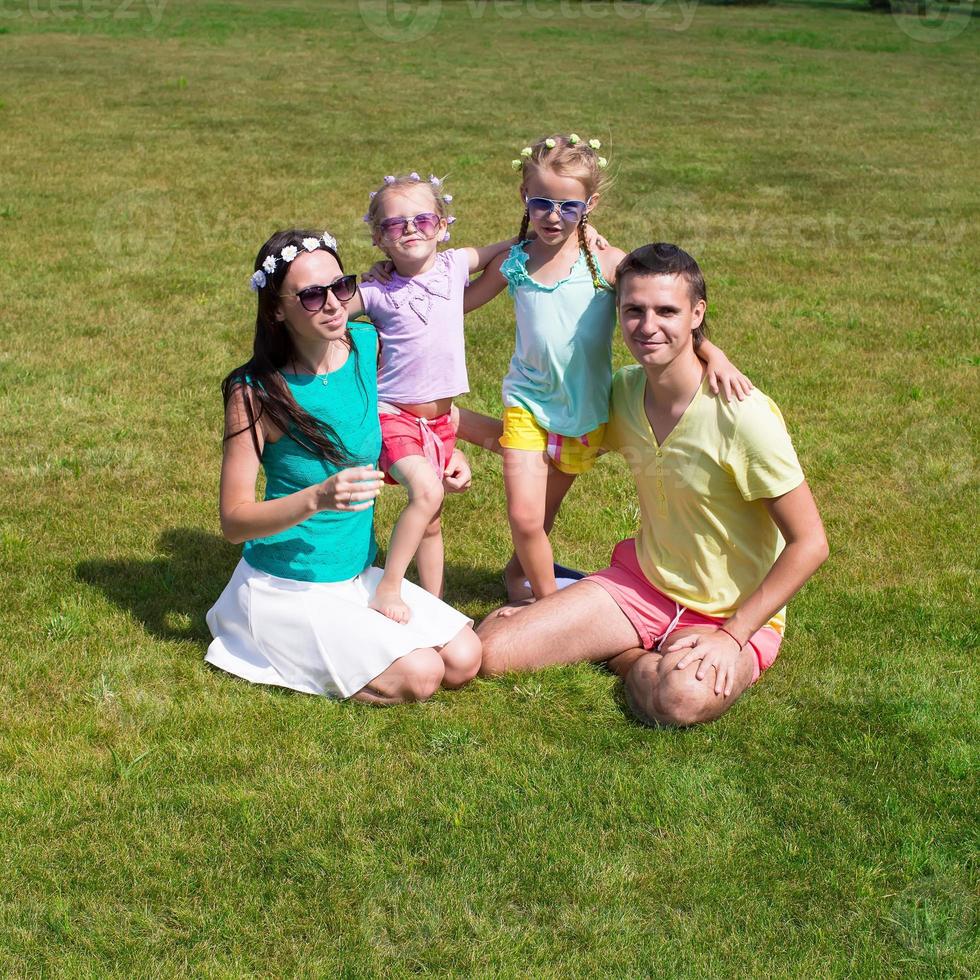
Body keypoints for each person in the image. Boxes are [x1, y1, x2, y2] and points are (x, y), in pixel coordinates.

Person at [477, 244, 829, 727]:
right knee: (494, 651)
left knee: (680, 699)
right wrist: (444, 423)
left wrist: (732, 636)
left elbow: (810, 543)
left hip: (733, 613)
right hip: (641, 586)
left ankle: (625, 655)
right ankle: (634, 652)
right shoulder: (620, 392)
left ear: (696, 314)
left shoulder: (742, 415)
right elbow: (543, 447)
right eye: (633, 311)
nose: (648, 326)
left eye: (667, 311)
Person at [458, 134, 751, 605]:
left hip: (585, 412)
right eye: (542, 204)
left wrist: (713, 354)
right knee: (526, 518)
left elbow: (657, 306)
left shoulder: (606, 264)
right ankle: (549, 607)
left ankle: (519, 578)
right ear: (524, 199)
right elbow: (463, 303)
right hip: (526, 404)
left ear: (590, 203)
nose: (554, 216)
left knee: (543, 515)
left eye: (569, 206)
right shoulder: (515, 263)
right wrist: (400, 313)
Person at [205, 229, 481, 705]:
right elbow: (234, 521)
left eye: (341, 286)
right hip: (288, 587)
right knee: (422, 675)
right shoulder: (255, 392)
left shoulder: (366, 345)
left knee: (464, 657)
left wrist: (442, 450)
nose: (333, 303)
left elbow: (400, 415)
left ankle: (348, 640)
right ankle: (263, 639)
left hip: (356, 574)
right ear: (276, 308)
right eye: (311, 295)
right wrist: (317, 497)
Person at [338, 172, 526, 625]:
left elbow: (503, 253)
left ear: (442, 225)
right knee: (426, 492)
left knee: (434, 517)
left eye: (423, 219)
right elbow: (328, 313)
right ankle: (389, 587)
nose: (410, 229)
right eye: (394, 224)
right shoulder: (377, 290)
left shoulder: (456, 265)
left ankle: (434, 601)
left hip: (441, 421)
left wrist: (536, 232)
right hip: (394, 414)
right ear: (379, 239)